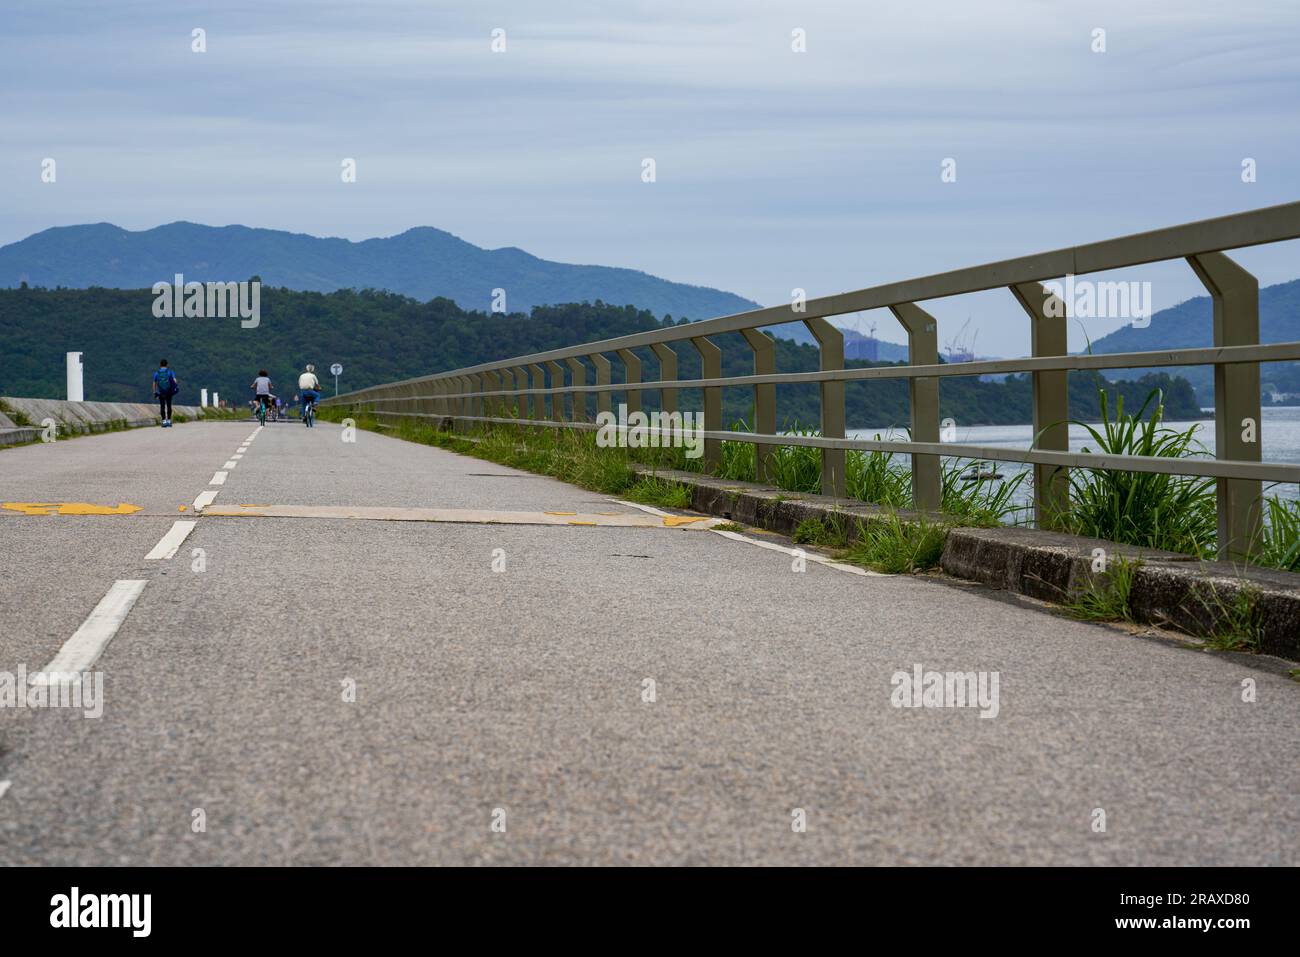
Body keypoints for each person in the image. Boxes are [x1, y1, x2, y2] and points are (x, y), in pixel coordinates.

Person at [152, 359, 179, 427]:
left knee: (162, 406)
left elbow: (154, 383)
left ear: (160, 365)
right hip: (169, 392)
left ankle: (164, 421)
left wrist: (155, 392)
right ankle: (169, 421)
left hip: (161, 392)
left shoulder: (157, 373)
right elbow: (175, 381)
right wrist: (175, 388)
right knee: (169, 406)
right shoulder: (170, 372)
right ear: (167, 365)